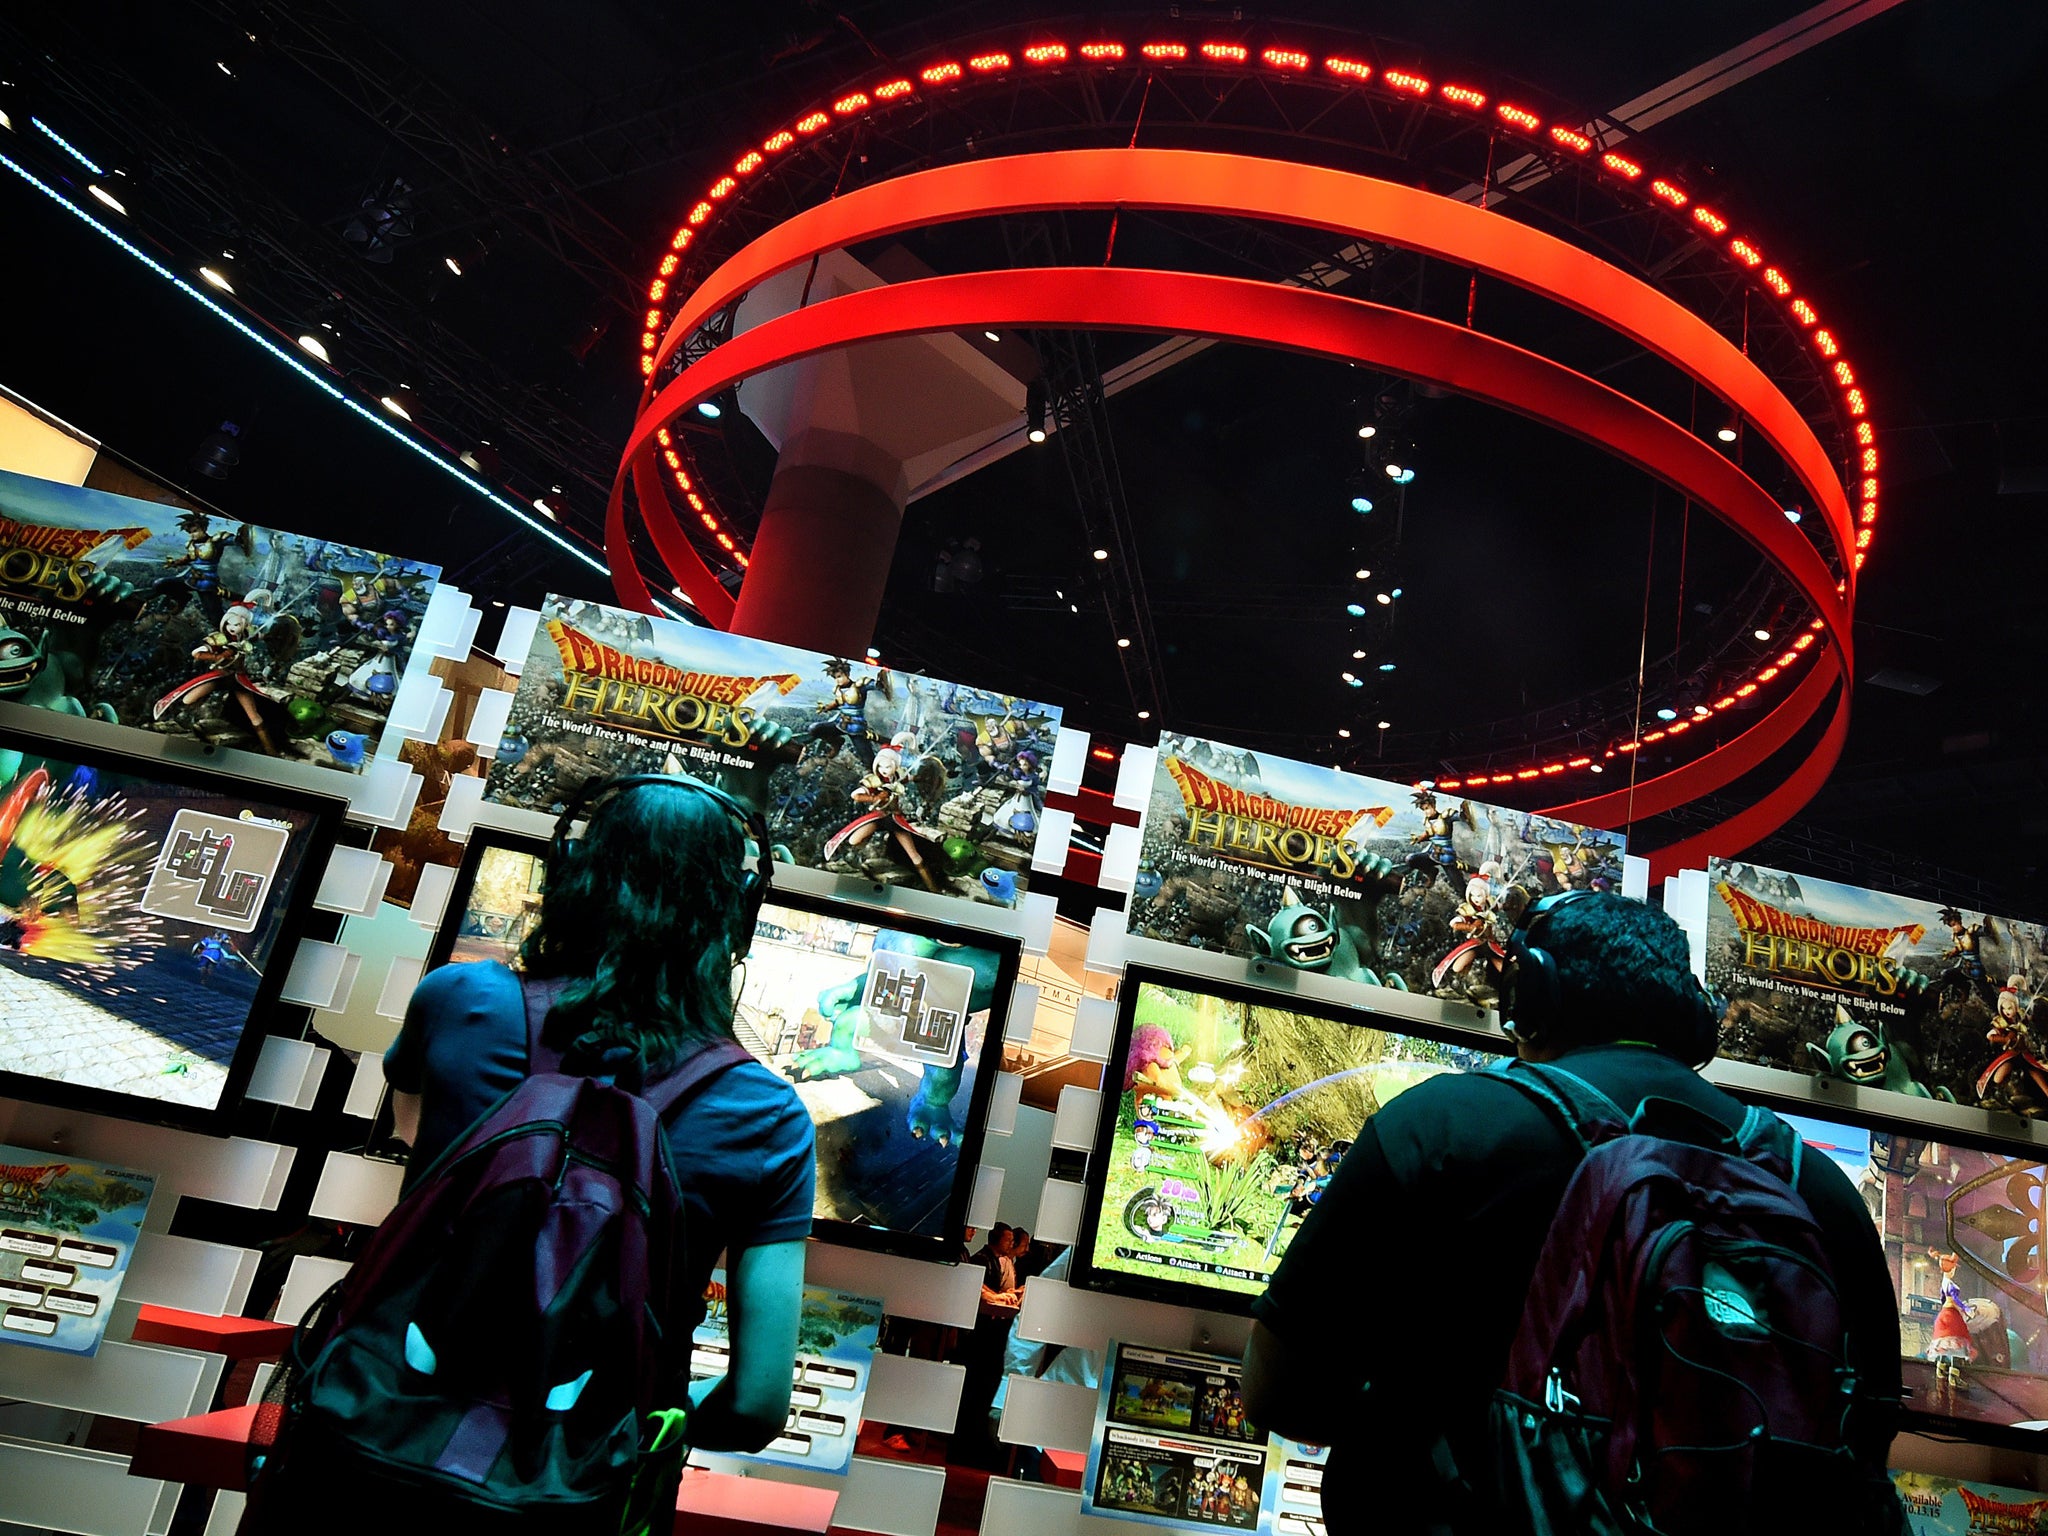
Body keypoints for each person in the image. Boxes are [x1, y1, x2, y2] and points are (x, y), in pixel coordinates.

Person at [1241, 892, 1903, 1535]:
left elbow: (1279, 1391)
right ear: (1696, 1017)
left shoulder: (1443, 1128)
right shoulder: (1817, 1189)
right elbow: (1865, 1445)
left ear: (1530, 998)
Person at [374, 778, 815, 1476]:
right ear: (739, 914)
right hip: (574, 1498)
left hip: (376, 1435)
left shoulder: (458, 1001)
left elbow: (409, 1129)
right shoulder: (768, 1116)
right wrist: (627, 1415)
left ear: (571, 875)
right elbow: (758, 1404)